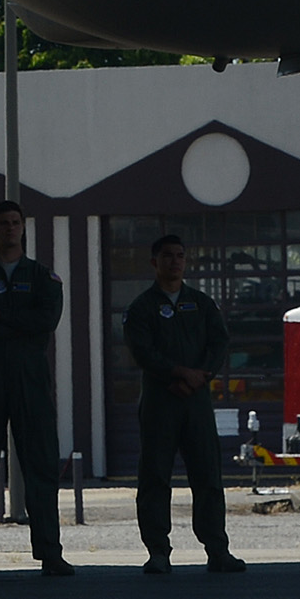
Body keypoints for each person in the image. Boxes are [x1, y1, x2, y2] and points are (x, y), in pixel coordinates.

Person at [0, 199, 72, 578]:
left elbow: (46, 320)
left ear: (23, 228)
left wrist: (0, 315)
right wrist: (19, 322)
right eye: (3, 223)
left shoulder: (42, 278)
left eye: (16, 223)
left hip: (30, 376)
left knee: (40, 463)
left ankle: (51, 553)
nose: (10, 229)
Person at [123, 233, 245, 574]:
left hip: (197, 401)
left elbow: (219, 343)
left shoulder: (202, 303)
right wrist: (176, 373)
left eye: (180, 256)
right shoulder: (142, 308)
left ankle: (217, 550)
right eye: (167, 256)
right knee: (155, 477)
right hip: (161, 401)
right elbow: (142, 351)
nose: (174, 261)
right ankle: (158, 552)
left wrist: (200, 376)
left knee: (207, 475)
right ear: (154, 262)